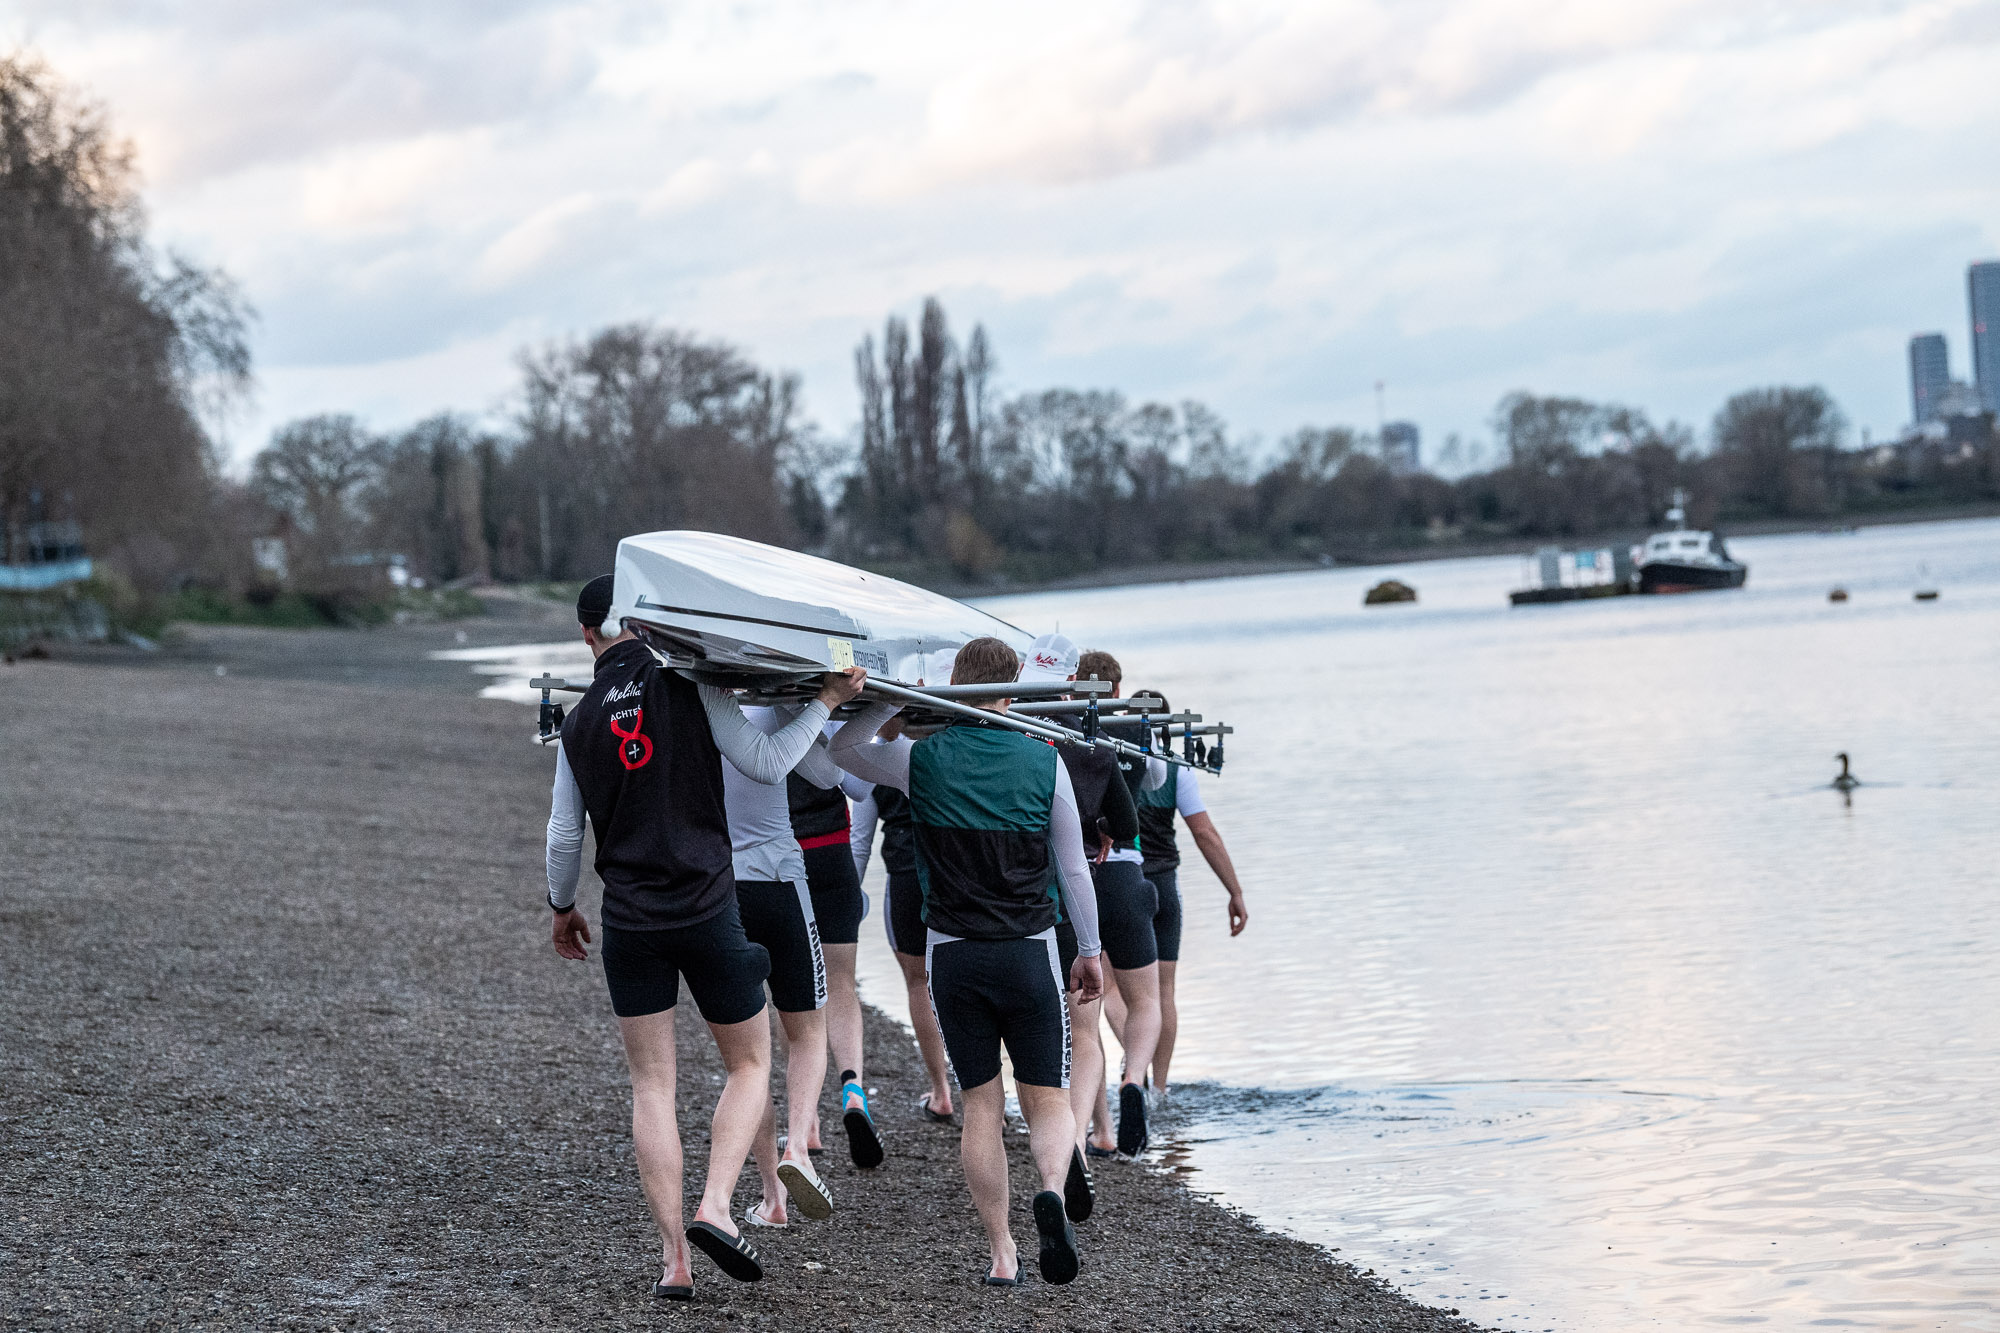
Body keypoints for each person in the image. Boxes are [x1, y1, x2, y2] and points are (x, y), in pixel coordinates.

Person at [544, 575, 865, 1296]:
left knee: (651, 1084)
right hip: (709, 907)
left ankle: (674, 1262)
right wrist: (826, 700)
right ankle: (717, 1206)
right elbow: (767, 763)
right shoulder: (691, 683)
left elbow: (565, 831)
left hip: (630, 920)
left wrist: (561, 905)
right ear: (644, 620)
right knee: (749, 1065)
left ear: (588, 636)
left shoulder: (578, 720)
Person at [829, 635, 1106, 1287]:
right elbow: (1072, 866)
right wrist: (1090, 950)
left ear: (952, 685)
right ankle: (1051, 1190)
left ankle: (1003, 1253)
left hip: (953, 957)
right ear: (1013, 690)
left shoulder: (921, 759)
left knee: (980, 1102)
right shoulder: (1047, 759)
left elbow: (843, 752)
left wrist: (884, 702)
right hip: (1030, 951)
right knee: (1047, 1097)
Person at [716, 705, 848, 1226]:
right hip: (781, 881)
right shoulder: (774, 708)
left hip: (722, 892)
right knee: (808, 1031)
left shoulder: (695, 713)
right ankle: (798, 1147)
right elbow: (831, 775)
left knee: (747, 1065)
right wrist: (817, 707)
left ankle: (773, 1198)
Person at [1115, 683, 1249, 1097]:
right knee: (1163, 992)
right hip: (1164, 887)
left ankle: (1131, 1063)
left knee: (1114, 989)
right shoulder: (1177, 767)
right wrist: (1235, 891)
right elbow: (1204, 833)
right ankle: (1158, 1088)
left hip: (1120, 884)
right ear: (1168, 726)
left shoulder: (1113, 759)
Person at [786, 758, 886, 1169]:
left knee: (792, 990)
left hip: (782, 856)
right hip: (834, 854)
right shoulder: (826, 705)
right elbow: (859, 785)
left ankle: (807, 1119)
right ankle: (853, 1088)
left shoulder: (749, 709)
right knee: (842, 983)